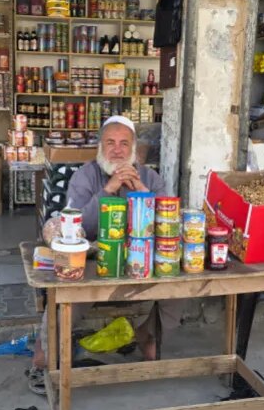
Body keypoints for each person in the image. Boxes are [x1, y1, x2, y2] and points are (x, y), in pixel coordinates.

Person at [27, 116, 185, 394]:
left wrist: (141, 192)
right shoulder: (86, 175)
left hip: (140, 258)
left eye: (125, 143)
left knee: (178, 288)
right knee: (67, 293)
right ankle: (44, 356)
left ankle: (148, 334)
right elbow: (76, 227)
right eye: (110, 142)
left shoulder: (150, 177)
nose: (117, 150)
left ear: (134, 149)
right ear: (100, 146)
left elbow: (166, 225)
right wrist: (109, 188)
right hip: (93, 257)